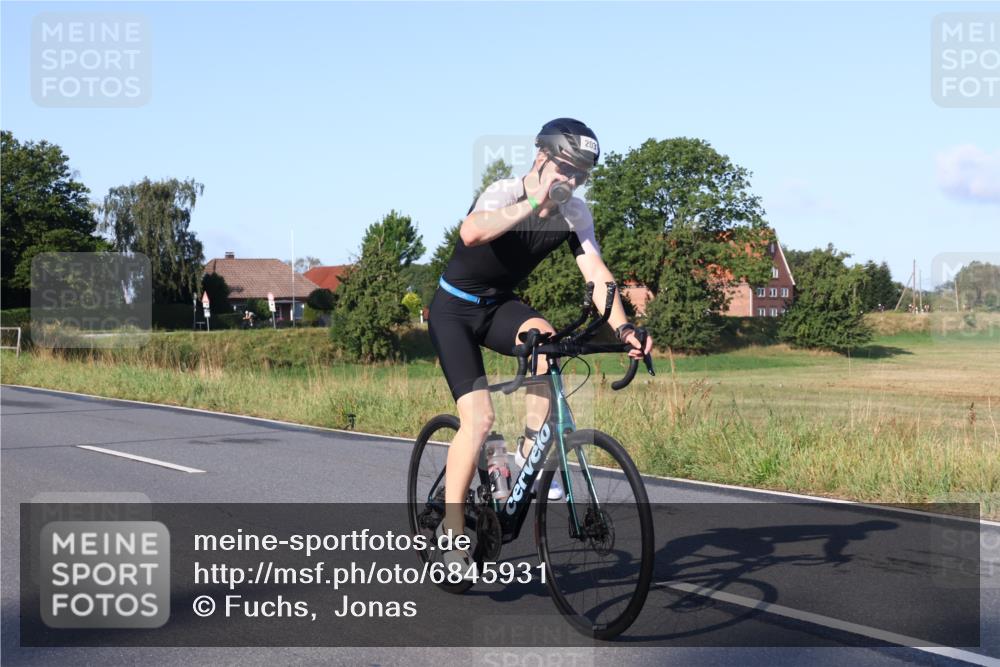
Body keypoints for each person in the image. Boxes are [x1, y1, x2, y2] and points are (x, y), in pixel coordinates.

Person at [427, 118, 654, 573]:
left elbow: (597, 277)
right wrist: (533, 200)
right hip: (454, 309)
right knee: (480, 417)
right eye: (565, 169)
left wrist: (625, 330)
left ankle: (526, 458)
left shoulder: (575, 215)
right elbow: (471, 233)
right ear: (541, 159)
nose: (570, 181)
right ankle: (451, 533)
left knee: (548, 342)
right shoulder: (505, 191)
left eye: (580, 175)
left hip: (499, 307)